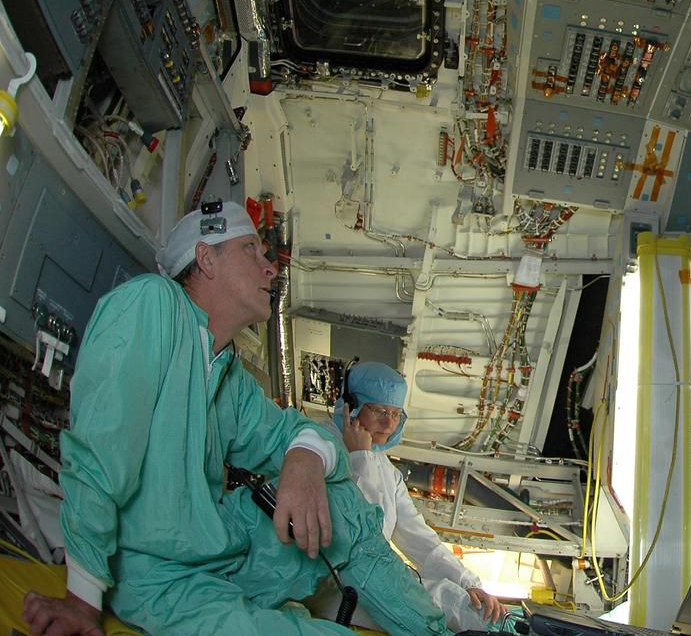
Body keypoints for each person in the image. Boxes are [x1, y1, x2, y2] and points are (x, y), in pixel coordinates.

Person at [21, 200, 454, 636]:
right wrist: (81, 597)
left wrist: (304, 457)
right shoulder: (150, 304)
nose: (271, 270)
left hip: (219, 551)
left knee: (342, 505)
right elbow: (99, 453)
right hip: (159, 574)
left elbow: (293, 431)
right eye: (251, 250)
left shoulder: (224, 368)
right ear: (206, 259)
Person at [307, 361, 506, 631]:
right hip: (331, 583)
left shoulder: (384, 467)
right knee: (431, 615)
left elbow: (418, 536)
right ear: (350, 406)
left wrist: (468, 581)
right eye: (379, 411)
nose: (389, 423)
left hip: (373, 576)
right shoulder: (319, 444)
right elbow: (357, 528)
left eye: (396, 413)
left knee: (466, 605)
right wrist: (359, 458)